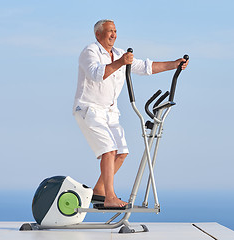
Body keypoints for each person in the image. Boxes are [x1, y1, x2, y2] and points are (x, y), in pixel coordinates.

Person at [73, 19, 188, 208]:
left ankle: (99, 190)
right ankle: (110, 197)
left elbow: (145, 67)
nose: (114, 34)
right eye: (109, 31)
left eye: (115, 31)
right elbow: (96, 74)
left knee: (121, 153)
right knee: (109, 150)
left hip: (110, 111)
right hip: (89, 109)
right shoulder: (90, 52)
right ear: (98, 34)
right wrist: (120, 62)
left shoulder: (118, 54)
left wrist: (174, 65)